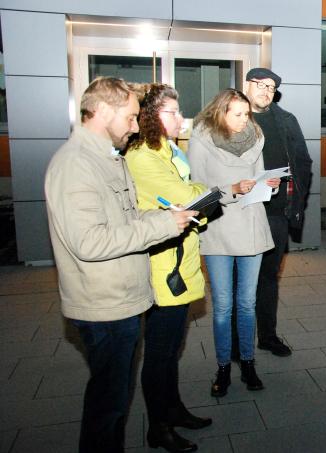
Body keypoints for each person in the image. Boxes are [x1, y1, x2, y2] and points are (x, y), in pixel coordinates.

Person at [44, 77, 198, 453]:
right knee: (108, 407)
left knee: (114, 399)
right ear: (104, 111)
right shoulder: (76, 165)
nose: (135, 125)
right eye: (130, 117)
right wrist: (161, 224)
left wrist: (160, 216)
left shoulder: (104, 157)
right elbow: (90, 242)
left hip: (123, 298)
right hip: (104, 303)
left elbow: (122, 218)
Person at [125, 84, 212, 452]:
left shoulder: (169, 150)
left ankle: (173, 410)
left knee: (173, 346)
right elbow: (188, 195)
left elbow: (194, 192)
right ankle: (158, 428)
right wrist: (202, 193)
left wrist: (200, 193)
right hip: (164, 265)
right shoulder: (144, 154)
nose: (181, 119)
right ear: (149, 116)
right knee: (160, 353)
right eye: (172, 112)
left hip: (180, 258)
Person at [188, 89, 274, 396]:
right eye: (237, 114)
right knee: (223, 306)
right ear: (220, 112)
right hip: (219, 229)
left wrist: (267, 184)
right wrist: (232, 189)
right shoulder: (201, 137)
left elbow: (258, 177)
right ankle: (223, 366)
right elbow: (196, 191)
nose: (244, 120)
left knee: (247, 303)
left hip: (252, 226)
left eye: (246, 114)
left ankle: (248, 363)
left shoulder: (255, 135)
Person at [243, 67, 312, 356]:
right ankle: (237, 342)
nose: (266, 91)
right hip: (241, 212)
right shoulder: (231, 117)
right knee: (241, 281)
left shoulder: (285, 120)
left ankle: (267, 336)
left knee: (268, 278)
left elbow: (303, 162)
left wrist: (295, 202)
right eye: (261, 84)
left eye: (272, 87)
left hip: (275, 212)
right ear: (247, 85)